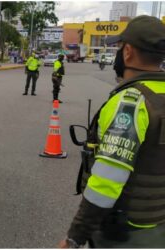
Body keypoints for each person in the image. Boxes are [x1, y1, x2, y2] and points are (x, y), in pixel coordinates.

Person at [59, 15, 165, 248]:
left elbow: (107, 182)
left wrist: (75, 236)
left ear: (127, 52)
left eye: (119, 48)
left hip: (126, 233)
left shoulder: (132, 103)